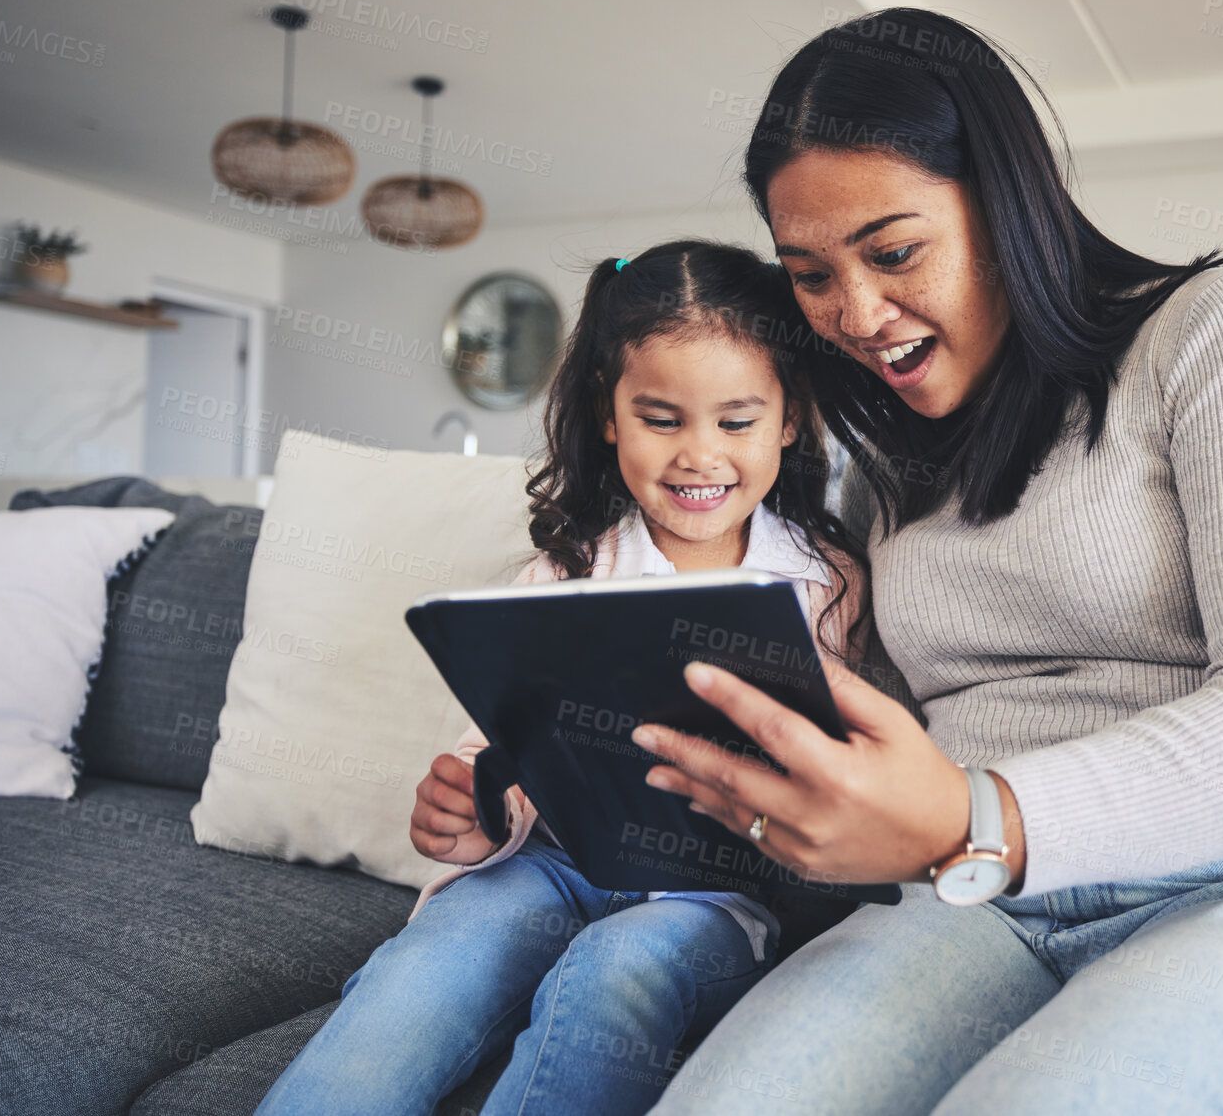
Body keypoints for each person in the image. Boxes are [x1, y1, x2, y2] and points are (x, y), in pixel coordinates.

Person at [620, 9, 1223, 1115]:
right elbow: (891, 755)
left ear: (1006, 205)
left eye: (893, 253)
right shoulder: (893, 465)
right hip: (975, 904)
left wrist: (978, 817)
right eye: (808, 273)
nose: (853, 313)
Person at [257, 241, 867, 1116]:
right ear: (610, 415)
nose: (700, 455)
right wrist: (469, 807)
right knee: (427, 967)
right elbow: (494, 745)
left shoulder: (828, 583)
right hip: (546, 865)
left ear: (789, 419)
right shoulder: (564, 572)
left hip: (713, 894)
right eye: (662, 418)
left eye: (736, 422)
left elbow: (843, 768)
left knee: (616, 968)